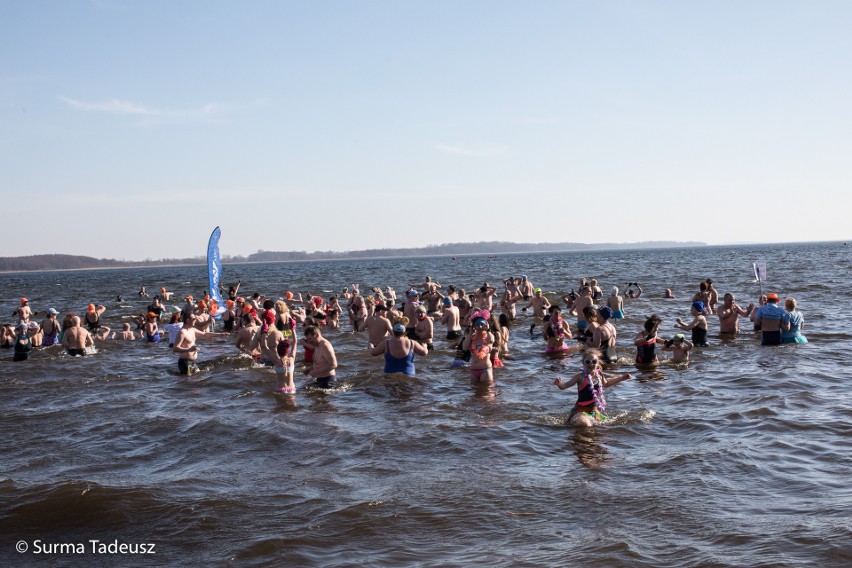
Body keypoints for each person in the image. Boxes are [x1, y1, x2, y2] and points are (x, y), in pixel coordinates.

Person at [553, 349, 633, 427]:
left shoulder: (599, 375)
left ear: (598, 363)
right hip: (580, 410)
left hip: (594, 411)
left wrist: (622, 378)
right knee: (586, 424)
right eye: (588, 362)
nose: (591, 364)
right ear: (583, 363)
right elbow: (564, 386)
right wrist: (559, 384)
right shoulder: (579, 377)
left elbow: (606, 384)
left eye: (594, 362)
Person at [462, 310, 495, 384]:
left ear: (485, 325)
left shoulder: (488, 336)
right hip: (473, 370)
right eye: (477, 325)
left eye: (482, 324)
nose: (480, 327)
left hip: (485, 370)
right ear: (474, 326)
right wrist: (470, 332)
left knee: (486, 394)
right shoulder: (472, 337)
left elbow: (492, 341)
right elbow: (464, 347)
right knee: (475, 394)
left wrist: (488, 329)